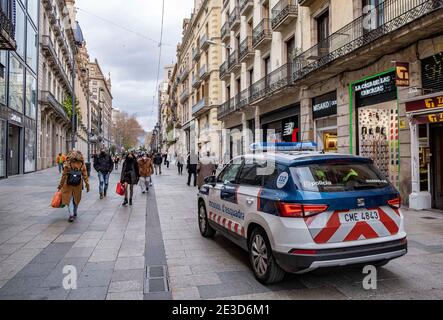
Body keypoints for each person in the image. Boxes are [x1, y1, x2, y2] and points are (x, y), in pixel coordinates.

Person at [57, 151, 90, 222]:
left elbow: (64, 176)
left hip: (68, 184)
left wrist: (60, 186)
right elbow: (85, 175)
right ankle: (74, 212)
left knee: (70, 200)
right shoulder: (82, 164)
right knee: (76, 199)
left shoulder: (68, 163)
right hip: (78, 185)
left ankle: (71, 215)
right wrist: (87, 185)